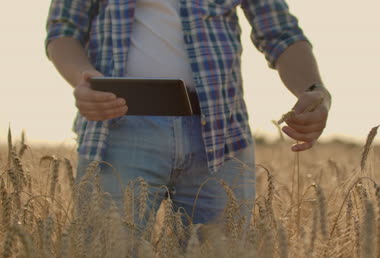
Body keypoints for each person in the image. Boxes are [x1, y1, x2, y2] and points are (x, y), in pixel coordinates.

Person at [45, 0, 331, 226]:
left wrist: (314, 89)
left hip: (222, 136)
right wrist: (86, 78)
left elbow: (280, 31)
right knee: (107, 254)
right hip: (118, 129)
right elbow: (64, 30)